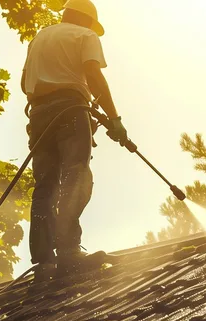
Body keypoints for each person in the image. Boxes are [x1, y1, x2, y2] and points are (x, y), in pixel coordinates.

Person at [21, 0, 127, 283]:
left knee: (44, 186)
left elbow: (24, 83)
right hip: (70, 110)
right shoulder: (85, 35)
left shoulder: (39, 37)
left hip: (39, 115)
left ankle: (44, 261)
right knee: (76, 175)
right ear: (88, 21)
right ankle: (69, 253)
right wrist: (113, 118)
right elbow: (92, 74)